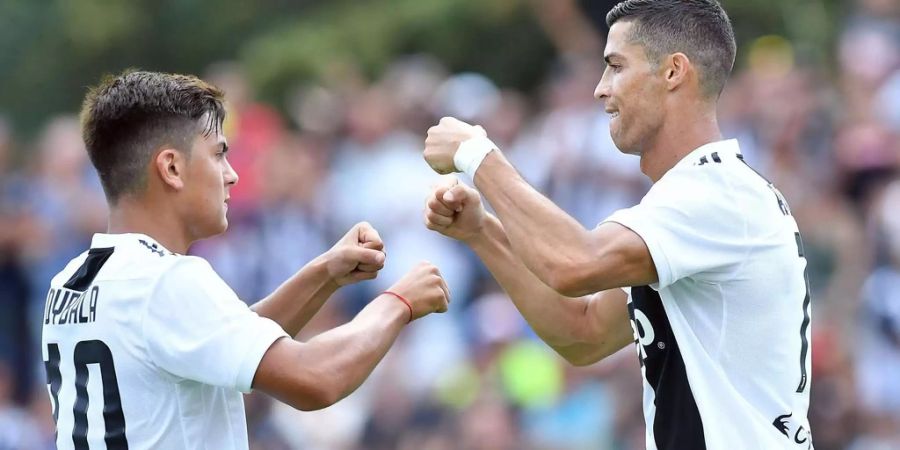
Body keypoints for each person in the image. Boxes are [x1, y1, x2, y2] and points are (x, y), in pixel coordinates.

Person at [421, 1, 813, 449]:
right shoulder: (701, 197)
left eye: (615, 66)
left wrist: (477, 156)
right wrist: (482, 232)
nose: (600, 89)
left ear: (673, 72)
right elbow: (583, 333)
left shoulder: (715, 194)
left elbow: (575, 264)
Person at [41, 70, 450, 449]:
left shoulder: (69, 282)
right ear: (171, 168)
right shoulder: (168, 281)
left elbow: (222, 339)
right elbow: (316, 379)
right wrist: (399, 302)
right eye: (219, 153)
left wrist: (324, 274)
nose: (232, 174)